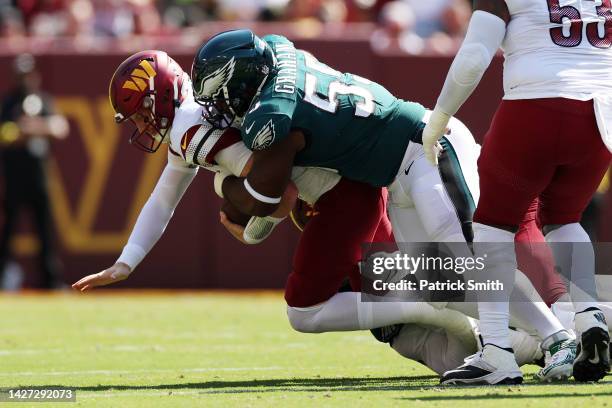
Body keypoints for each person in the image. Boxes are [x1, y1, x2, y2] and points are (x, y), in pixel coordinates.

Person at [190, 29, 576, 382]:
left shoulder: (271, 111)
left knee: (470, 259)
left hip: (424, 148)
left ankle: (559, 336)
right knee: (437, 285)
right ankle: (526, 343)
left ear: (243, 78)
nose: (217, 105)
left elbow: (268, 194)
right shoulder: (278, 49)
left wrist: (226, 184)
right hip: (398, 175)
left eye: (219, 91)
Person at [421, 0, 612, 384]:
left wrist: (439, 117)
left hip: (535, 104)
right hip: (601, 113)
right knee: (565, 218)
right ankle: (590, 312)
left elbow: (475, 56)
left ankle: (496, 352)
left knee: (492, 227)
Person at [0, 53, 69, 289]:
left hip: (39, 178)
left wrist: (34, 127)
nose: (25, 80)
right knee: (8, 233)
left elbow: (60, 127)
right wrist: (17, 132)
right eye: (21, 76)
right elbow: (4, 134)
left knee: (45, 233)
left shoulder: (43, 100)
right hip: (14, 178)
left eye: (28, 75)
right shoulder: (8, 103)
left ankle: (51, 282)